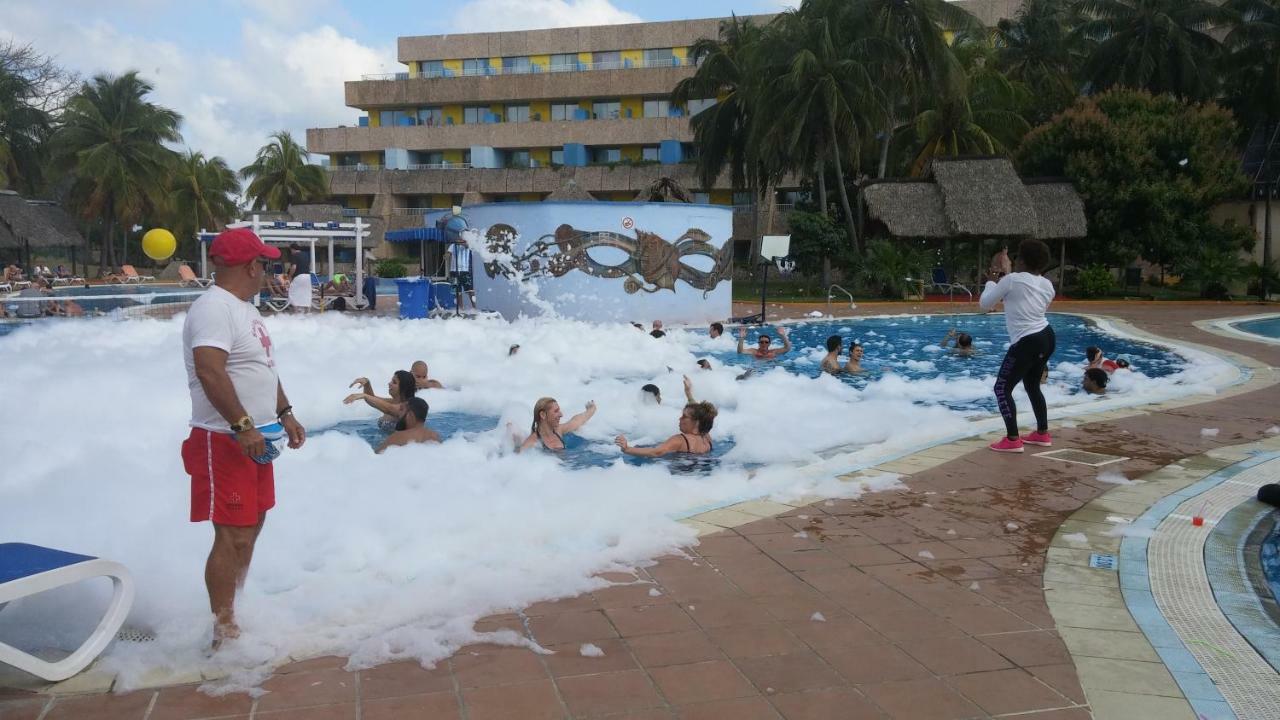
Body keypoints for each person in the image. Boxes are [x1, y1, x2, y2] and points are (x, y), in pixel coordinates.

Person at [180, 228, 306, 648]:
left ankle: (237, 607)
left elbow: (262, 368)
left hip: (259, 435)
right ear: (251, 266)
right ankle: (224, 627)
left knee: (253, 524)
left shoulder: (246, 310)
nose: (266, 271)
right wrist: (241, 425)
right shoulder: (214, 309)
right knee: (231, 533)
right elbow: (209, 369)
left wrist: (285, 412)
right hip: (224, 439)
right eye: (264, 263)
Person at [980, 238, 1057, 453]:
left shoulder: (1012, 280)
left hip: (1027, 340)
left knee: (1001, 388)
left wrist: (991, 282)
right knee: (1032, 385)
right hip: (1047, 336)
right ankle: (1042, 433)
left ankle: (1013, 439)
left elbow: (985, 304)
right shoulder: (1047, 284)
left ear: (1021, 260)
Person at [615, 401, 717, 457]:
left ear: (696, 422)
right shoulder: (707, 438)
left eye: (684, 416)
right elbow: (703, 415)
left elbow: (657, 452)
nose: (680, 418)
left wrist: (627, 449)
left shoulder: (680, 440)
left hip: (681, 479)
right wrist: (688, 393)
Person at [345, 370, 417, 430]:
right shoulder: (393, 402)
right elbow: (372, 399)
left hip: (400, 446)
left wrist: (364, 395)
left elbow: (389, 409)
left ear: (403, 389)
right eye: (391, 381)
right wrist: (367, 383)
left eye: (394, 382)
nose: (389, 383)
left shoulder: (406, 409)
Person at [518, 397, 597, 452]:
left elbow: (577, 421)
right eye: (556, 411)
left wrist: (591, 410)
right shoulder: (532, 443)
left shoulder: (558, 430)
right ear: (543, 415)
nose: (561, 415)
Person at [449, 238, 476, 311]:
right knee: (457, 291)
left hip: (465, 271)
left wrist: (460, 243)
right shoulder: (452, 245)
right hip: (454, 271)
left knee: (470, 290)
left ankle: (474, 308)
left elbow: (467, 246)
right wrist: (446, 255)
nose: (459, 238)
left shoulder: (469, 244)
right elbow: (449, 253)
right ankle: (461, 308)